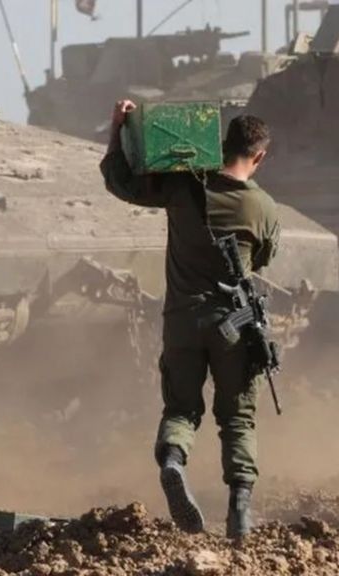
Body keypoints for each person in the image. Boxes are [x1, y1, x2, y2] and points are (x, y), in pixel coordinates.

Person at [101, 102, 280, 540]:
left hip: (182, 322)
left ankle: (173, 462)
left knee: (181, 408)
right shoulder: (263, 207)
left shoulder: (183, 186)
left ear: (221, 145)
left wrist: (117, 129)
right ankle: (240, 513)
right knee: (237, 419)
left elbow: (120, 181)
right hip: (234, 325)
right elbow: (263, 259)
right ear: (259, 156)